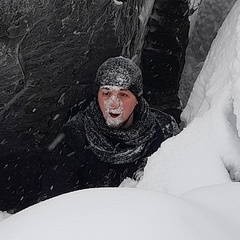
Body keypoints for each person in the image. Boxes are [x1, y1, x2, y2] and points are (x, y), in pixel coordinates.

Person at [42, 56, 179, 199]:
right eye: (106, 93)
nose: (113, 104)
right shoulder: (74, 136)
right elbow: (57, 202)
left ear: (137, 99)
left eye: (123, 94)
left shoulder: (164, 131)